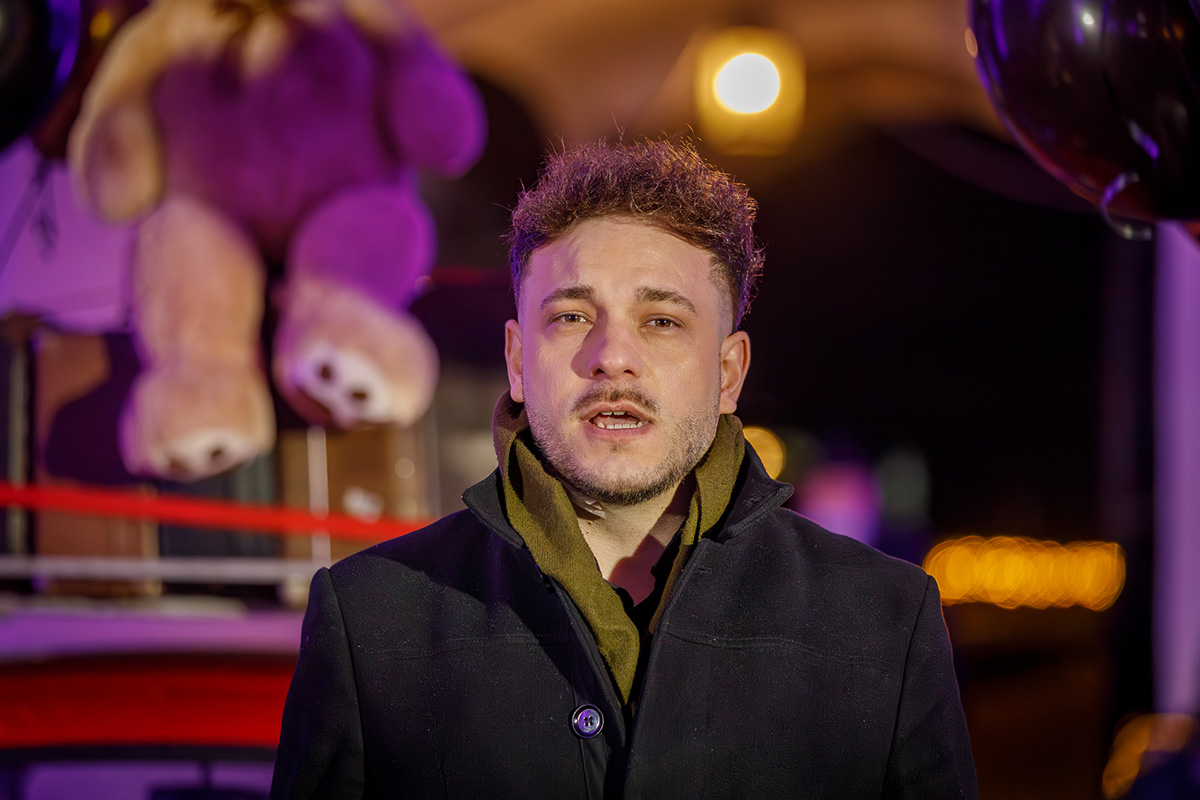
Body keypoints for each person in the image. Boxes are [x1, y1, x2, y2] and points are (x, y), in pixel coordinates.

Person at [270, 138, 978, 798]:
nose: (611, 356)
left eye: (662, 321)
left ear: (729, 373)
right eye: (572, 317)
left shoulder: (886, 622)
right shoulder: (367, 619)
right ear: (517, 361)